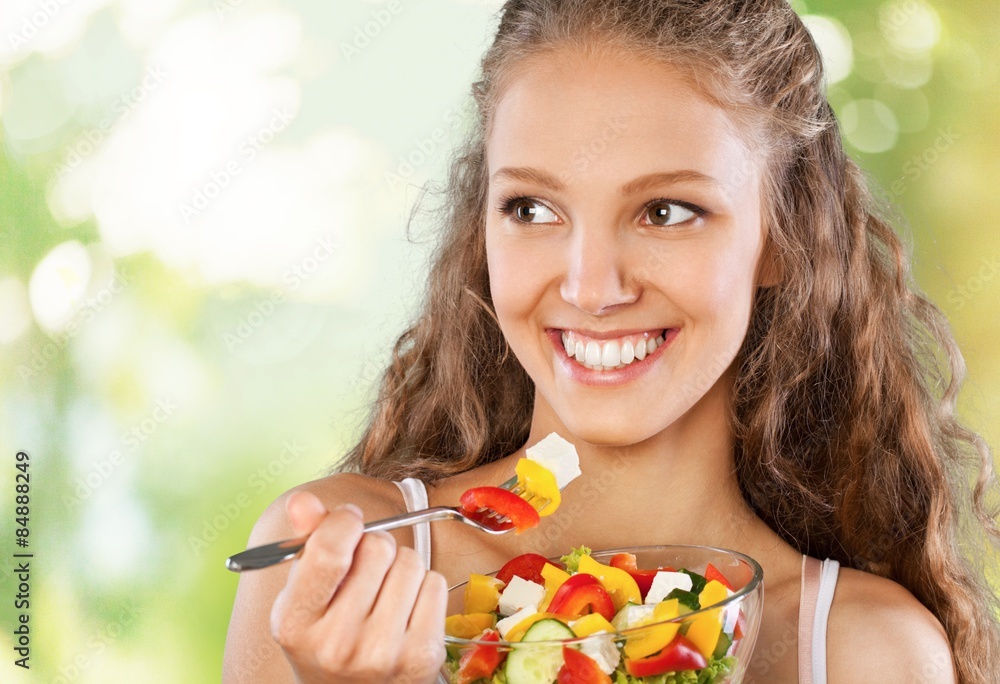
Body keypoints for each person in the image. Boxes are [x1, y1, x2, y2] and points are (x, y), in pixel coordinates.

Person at [223, 1, 1000, 682]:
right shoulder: (338, 577)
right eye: (531, 209)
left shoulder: (868, 653)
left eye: (665, 211)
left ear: (783, 237)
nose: (592, 288)